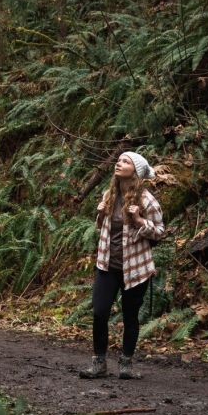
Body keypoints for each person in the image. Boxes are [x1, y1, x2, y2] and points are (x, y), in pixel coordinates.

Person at [80, 151, 164, 380]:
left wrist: (139, 221)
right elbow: (102, 229)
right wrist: (99, 216)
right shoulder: (109, 195)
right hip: (107, 265)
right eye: (118, 160)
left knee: (130, 316)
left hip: (136, 268)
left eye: (125, 161)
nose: (119, 163)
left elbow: (159, 233)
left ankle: (126, 365)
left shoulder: (146, 200)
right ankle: (99, 363)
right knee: (99, 312)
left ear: (135, 171)